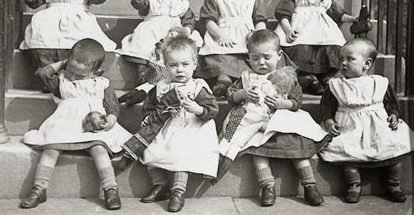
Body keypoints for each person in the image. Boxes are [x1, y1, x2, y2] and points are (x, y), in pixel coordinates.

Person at [215, 30, 331, 207]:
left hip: (282, 122)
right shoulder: (246, 78)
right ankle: (267, 185)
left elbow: (296, 101)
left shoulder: (285, 77)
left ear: (279, 55)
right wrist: (242, 94)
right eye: (255, 58)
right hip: (255, 125)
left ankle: (309, 184)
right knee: (257, 150)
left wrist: (282, 104)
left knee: (297, 147)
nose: (261, 62)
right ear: (249, 57)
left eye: (266, 57)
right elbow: (231, 99)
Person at [20, 39, 131, 210]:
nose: (73, 70)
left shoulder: (102, 83)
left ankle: (110, 188)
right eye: (71, 63)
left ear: (95, 70)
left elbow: (112, 105)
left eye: (80, 69)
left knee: (99, 148)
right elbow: (43, 73)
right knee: (51, 148)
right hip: (65, 122)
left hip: (93, 125)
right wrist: (63, 63)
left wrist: (111, 119)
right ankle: (39, 188)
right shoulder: (62, 82)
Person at [319, 38, 414, 203]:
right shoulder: (336, 85)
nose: (343, 63)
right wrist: (328, 121)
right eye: (341, 59)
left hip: (377, 127)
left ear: (367, 63)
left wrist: (393, 114)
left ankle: (393, 184)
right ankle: (354, 185)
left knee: (394, 153)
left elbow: (390, 103)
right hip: (350, 127)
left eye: (350, 59)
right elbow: (326, 107)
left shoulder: (379, 83)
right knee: (347, 156)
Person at [138, 36, 219, 212]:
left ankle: (178, 191)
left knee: (182, 154)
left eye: (185, 64)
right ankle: (160, 185)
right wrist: (148, 116)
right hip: (166, 125)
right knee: (148, 149)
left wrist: (197, 108)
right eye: (173, 66)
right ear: (166, 67)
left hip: (191, 126)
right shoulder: (161, 86)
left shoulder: (197, 86)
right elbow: (150, 105)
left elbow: (212, 109)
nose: (179, 70)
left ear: (195, 64)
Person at [273, 0, 358, 95]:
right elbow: (283, 14)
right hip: (301, 28)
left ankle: (326, 76)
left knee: (334, 47)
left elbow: (337, 13)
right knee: (300, 49)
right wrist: (288, 29)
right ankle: (306, 78)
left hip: (323, 31)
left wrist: (351, 19)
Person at [117, 0, 202, 85]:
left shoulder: (181, 3)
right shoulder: (151, 0)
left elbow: (189, 18)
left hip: (172, 32)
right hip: (152, 31)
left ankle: (180, 75)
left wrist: (186, 30)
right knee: (143, 45)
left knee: (184, 45)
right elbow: (140, 7)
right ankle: (143, 74)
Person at [196, 0, 267, 97]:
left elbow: (260, 19)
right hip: (223, 34)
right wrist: (220, 35)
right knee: (221, 56)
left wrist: (259, 36)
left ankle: (239, 82)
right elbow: (208, 20)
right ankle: (224, 79)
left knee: (249, 56)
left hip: (246, 36)